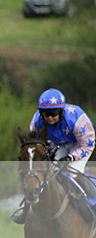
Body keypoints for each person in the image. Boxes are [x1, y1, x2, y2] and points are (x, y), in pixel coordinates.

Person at [12, 88, 95, 224]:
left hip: (80, 144)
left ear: (61, 111)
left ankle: (90, 204)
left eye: (54, 113)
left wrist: (70, 158)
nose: (50, 118)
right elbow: (37, 144)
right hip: (58, 145)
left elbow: (87, 144)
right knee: (48, 173)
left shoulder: (77, 118)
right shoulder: (37, 122)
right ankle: (27, 209)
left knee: (71, 173)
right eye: (46, 114)